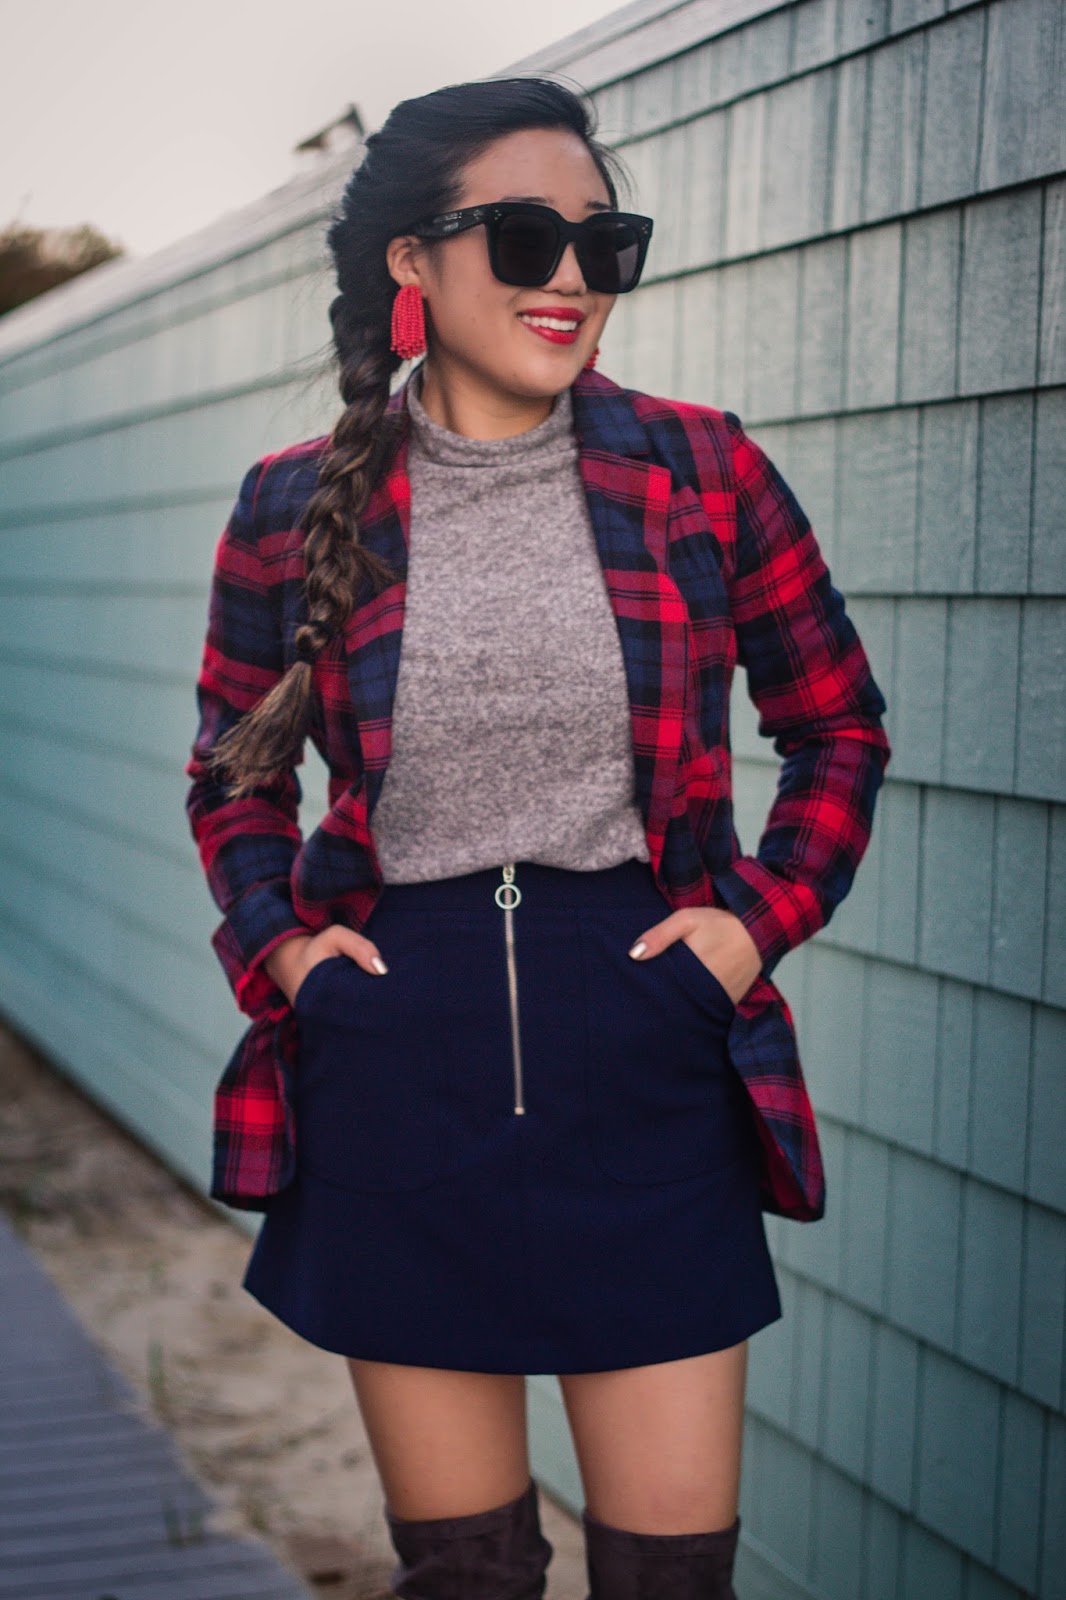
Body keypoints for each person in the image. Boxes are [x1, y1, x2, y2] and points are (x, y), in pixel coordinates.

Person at [184, 76, 891, 1600]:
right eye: (521, 237)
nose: (569, 276)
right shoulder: (289, 506)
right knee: (465, 1579)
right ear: (412, 262)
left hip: (645, 1049)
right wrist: (292, 959)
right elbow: (233, 779)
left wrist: (749, 927)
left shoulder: (703, 472)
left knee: (668, 1579)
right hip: (396, 1057)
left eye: (602, 242)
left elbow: (837, 725)